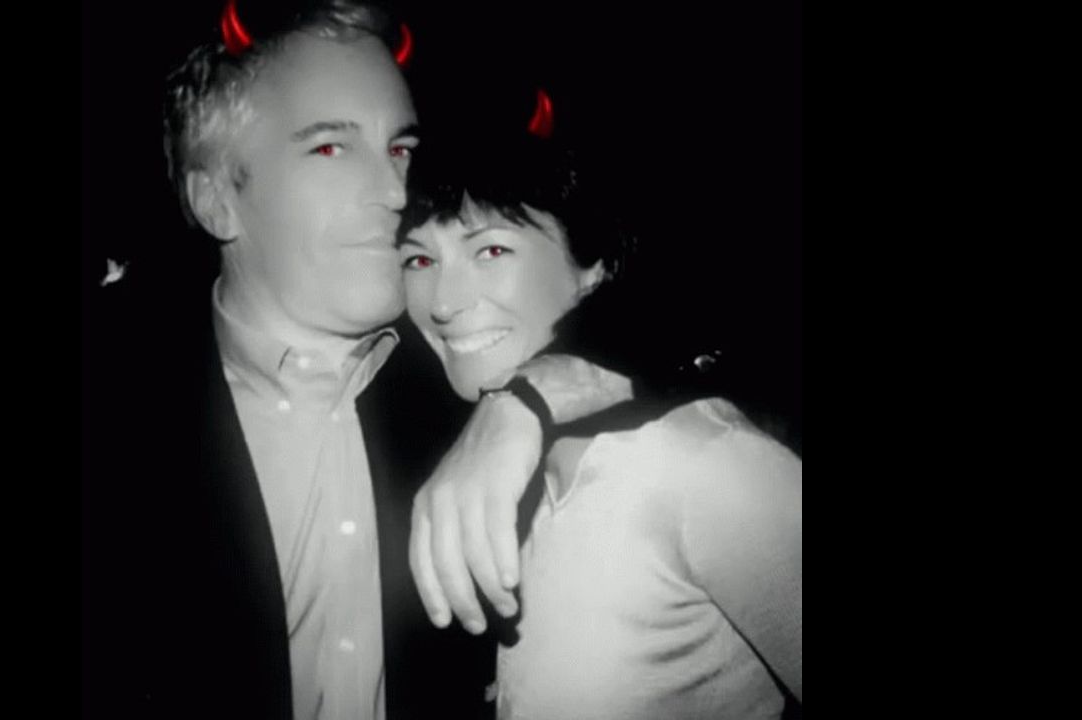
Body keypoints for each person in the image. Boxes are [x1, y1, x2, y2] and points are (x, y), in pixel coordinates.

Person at [81, 2, 633, 718]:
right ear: (215, 200)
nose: (397, 192)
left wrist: (530, 395)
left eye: (400, 148)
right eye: (330, 149)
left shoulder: (462, 358)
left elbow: (699, 327)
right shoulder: (111, 393)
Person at [395, 99, 802, 718]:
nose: (443, 303)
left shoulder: (705, 465)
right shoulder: (479, 473)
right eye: (419, 260)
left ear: (594, 268)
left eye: (491, 250)